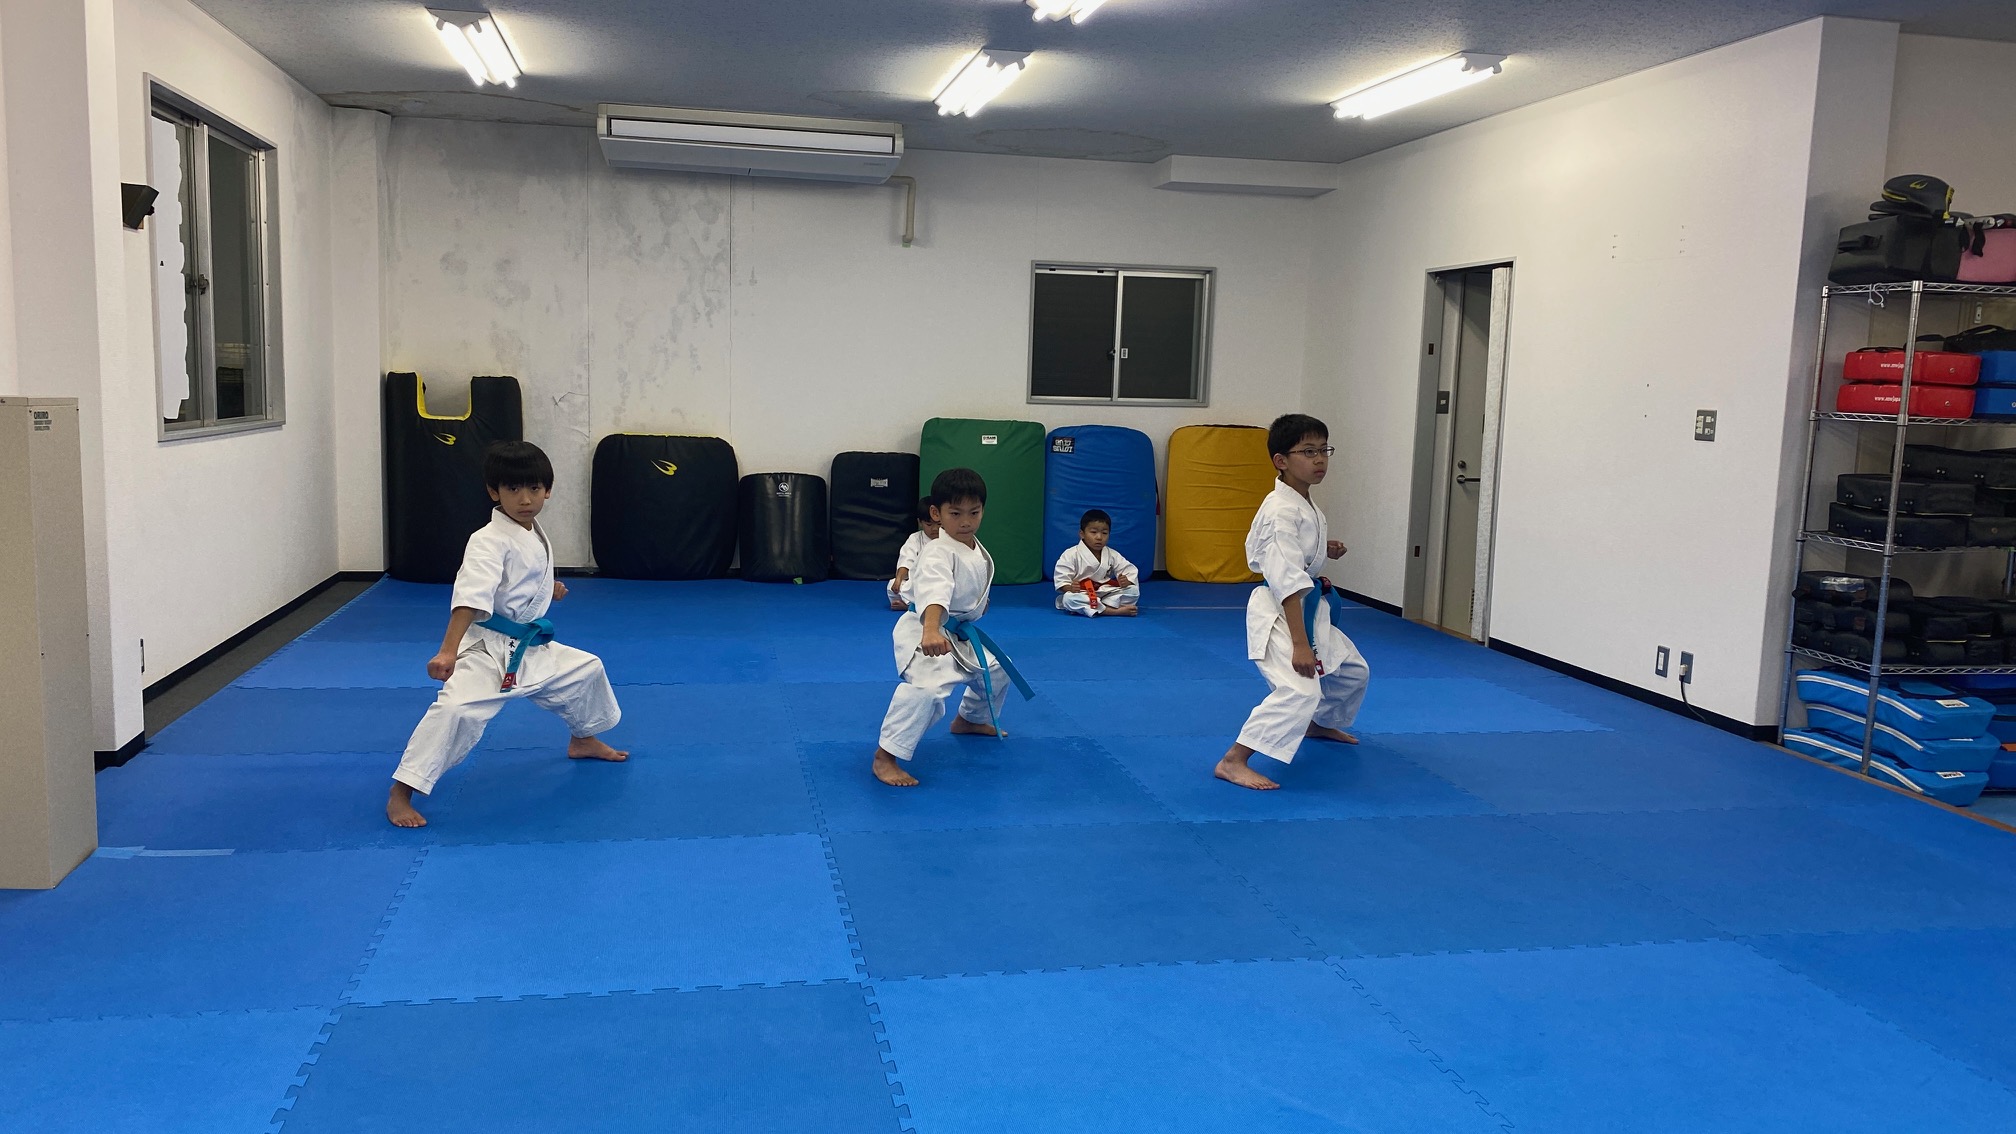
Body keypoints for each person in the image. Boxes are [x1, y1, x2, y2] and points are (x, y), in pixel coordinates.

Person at [386, 441, 627, 827]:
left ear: (548, 490)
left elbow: (519, 578)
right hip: (488, 648)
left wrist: (547, 589)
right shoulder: (486, 540)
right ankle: (402, 790)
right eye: (513, 489)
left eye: (534, 488)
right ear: (493, 492)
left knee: (586, 669)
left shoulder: (530, 530)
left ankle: (582, 739)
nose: (525, 499)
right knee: (456, 710)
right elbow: (471, 596)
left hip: (528, 645)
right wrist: (447, 651)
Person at [1214, 414, 1371, 791]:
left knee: (1352, 672)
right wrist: (1301, 645)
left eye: (1324, 450)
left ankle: (1316, 723)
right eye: (1308, 452)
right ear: (1281, 461)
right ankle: (1233, 760)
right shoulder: (1279, 511)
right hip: (1281, 611)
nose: (1320, 460)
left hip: (1307, 608)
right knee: (1300, 689)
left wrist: (1321, 550)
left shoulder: (1302, 501)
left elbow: (1294, 553)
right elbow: (1286, 583)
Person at [872, 468, 1014, 787]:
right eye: (955, 513)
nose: (965, 521)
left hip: (957, 631)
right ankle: (885, 756)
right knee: (926, 691)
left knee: (997, 669)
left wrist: (977, 606)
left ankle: (970, 719)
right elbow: (935, 591)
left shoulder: (973, 546)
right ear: (936, 514)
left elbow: (967, 585)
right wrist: (931, 630)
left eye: (974, 512)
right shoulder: (937, 551)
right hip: (926, 629)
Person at [1052, 508, 1140, 617]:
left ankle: (1096, 607)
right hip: (1082, 593)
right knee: (1069, 599)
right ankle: (1112, 611)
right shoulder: (1070, 554)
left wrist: (1126, 581)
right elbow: (1061, 580)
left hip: (1106, 592)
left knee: (1133, 591)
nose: (1099, 537)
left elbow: (1128, 570)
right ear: (1082, 534)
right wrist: (1070, 588)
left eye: (1104, 533)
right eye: (1093, 532)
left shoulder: (1112, 554)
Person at [888, 495, 940, 611]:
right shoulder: (915, 539)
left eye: (939, 524)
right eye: (929, 524)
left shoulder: (949, 539)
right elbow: (907, 560)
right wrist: (898, 579)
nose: (935, 529)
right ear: (920, 522)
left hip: (941, 584)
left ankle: (912, 606)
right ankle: (916, 605)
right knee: (892, 586)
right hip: (919, 585)